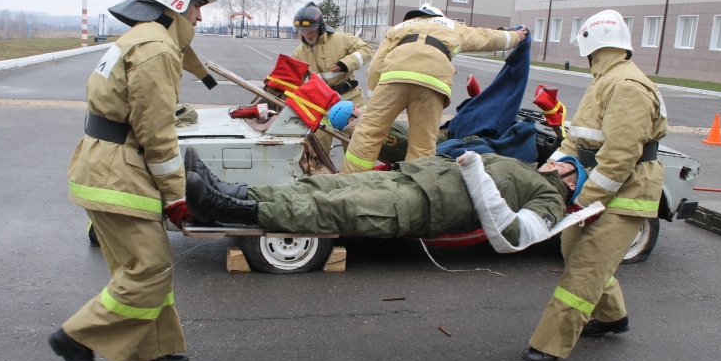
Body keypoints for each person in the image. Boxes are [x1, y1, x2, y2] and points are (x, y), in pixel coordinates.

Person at [48, 0, 223, 361]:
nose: (201, 15)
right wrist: (176, 194)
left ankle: (147, 353)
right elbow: (157, 132)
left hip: (100, 164)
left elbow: (149, 103)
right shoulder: (156, 48)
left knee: (139, 265)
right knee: (151, 267)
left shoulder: (141, 38)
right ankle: (78, 337)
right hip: (118, 172)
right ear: (178, 1)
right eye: (199, 4)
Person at [521, 9, 668, 361]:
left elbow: (620, 156)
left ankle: (549, 345)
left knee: (586, 269)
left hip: (627, 194)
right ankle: (613, 318)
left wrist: (585, 200)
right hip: (606, 187)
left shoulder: (626, 86)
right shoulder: (605, 80)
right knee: (575, 250)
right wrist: (549, 171)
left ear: (591, 45)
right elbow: (577, 140)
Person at [182, 146, 596, 254]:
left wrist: (474, 174)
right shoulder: (526, 165)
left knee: (333, 209)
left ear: (568, 178)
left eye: (564, 165)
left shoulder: (549, 198)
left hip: (424, 208)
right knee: (321, 187)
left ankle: (227, 209)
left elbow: (514, 234)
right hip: (413, 179)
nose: (554, 163)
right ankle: (228, 191)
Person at [341, 4, 527, 173]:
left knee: (369, 133)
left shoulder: (398, 28)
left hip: (393, 77)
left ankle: (349, 183)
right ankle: (413, 192)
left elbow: (376, 65)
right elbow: (485, 38)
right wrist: (515, 37)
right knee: (422, 144)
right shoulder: (451, 26)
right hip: (433, 80)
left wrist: (375, 98)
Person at [291, 1, 374, 152]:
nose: (307, 35)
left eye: (310, 30)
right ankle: (319, 175)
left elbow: (366, 50)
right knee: (317, 149)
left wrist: (346, 63)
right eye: (302, 31)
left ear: (320, 27)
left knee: (356, 148)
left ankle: (354, 175)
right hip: (322, 105)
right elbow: (291, 82)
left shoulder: (341, 39)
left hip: (351, 100)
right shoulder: (299, 53)